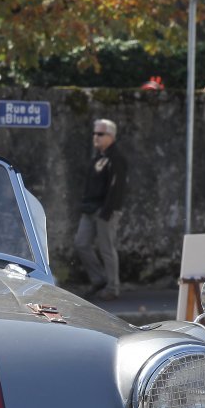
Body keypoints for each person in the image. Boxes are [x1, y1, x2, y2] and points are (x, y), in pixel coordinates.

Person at [74, 118, 126, 300]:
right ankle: (99, 279)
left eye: (100, 134)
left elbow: (116, 187)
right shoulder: (98, 157)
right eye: (94, 133)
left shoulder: (116, 158)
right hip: (90, 209)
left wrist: (107, 212)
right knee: (81, 243)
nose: (95, 137)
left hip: (105, 210)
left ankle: (112, 287)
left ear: (111, 136)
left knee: (107, 249)